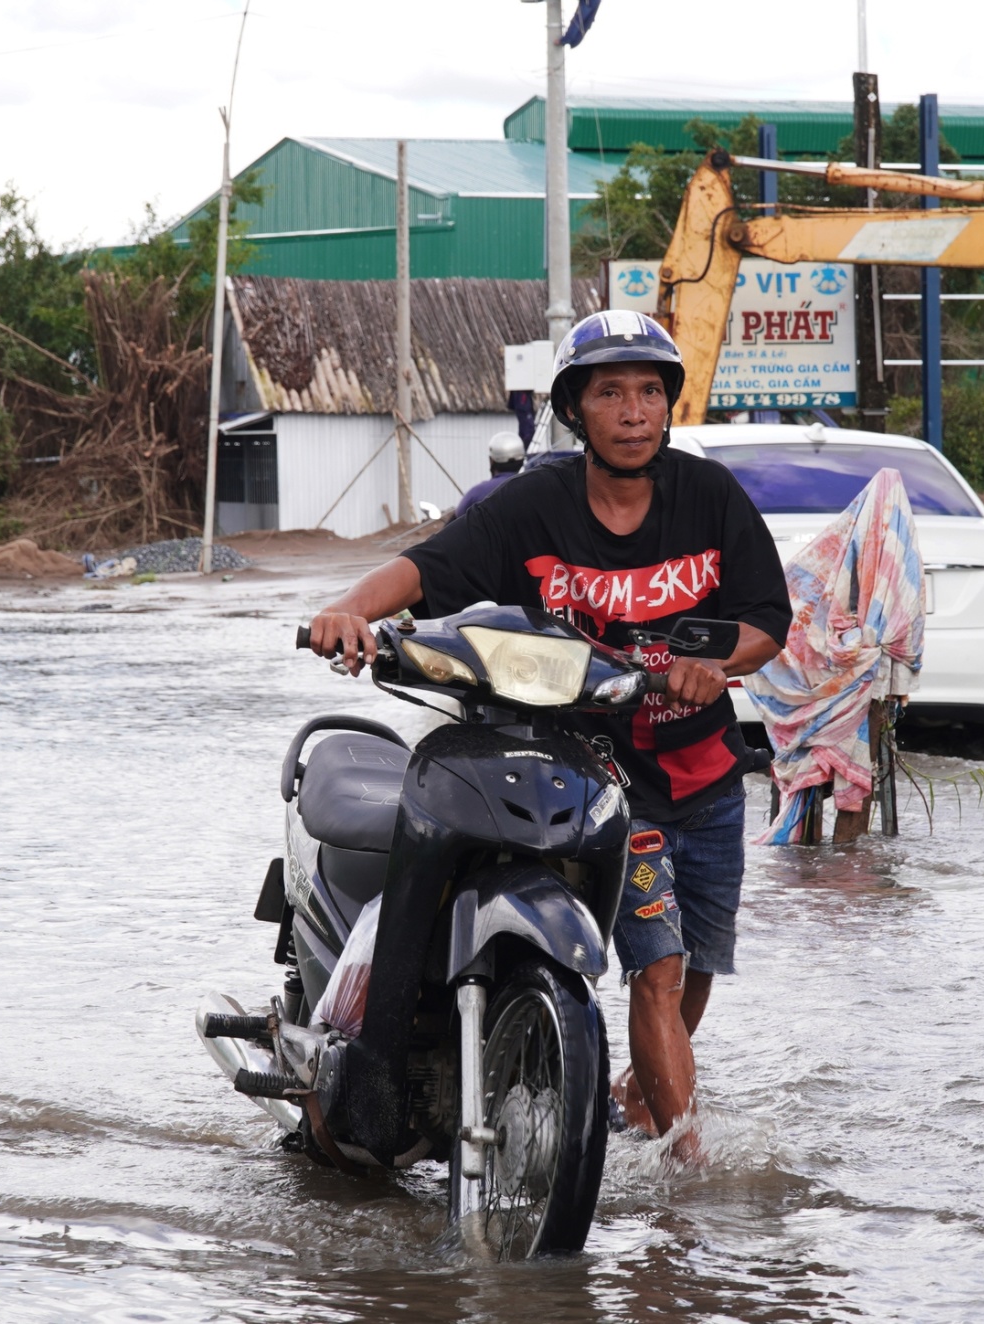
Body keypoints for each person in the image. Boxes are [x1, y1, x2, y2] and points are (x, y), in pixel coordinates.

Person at [308, 310, 792, 1162]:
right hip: (599, 780)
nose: (634, 412)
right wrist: (349, 608)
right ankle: (691, 1180)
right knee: (658, 970)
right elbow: (429, 566)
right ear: (574, 409)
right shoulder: (531, 507)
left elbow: (766, 619)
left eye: (650, 392)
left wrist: (715, 665)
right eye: (611, 394)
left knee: (697, 969)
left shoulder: (709, 496)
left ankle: (638, 1096)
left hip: (708, 775)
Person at [452, 431, 526, 516]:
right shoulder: (532, 489)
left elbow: (458, 516)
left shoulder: (477, 493)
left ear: (491, 461)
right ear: (522, 460)